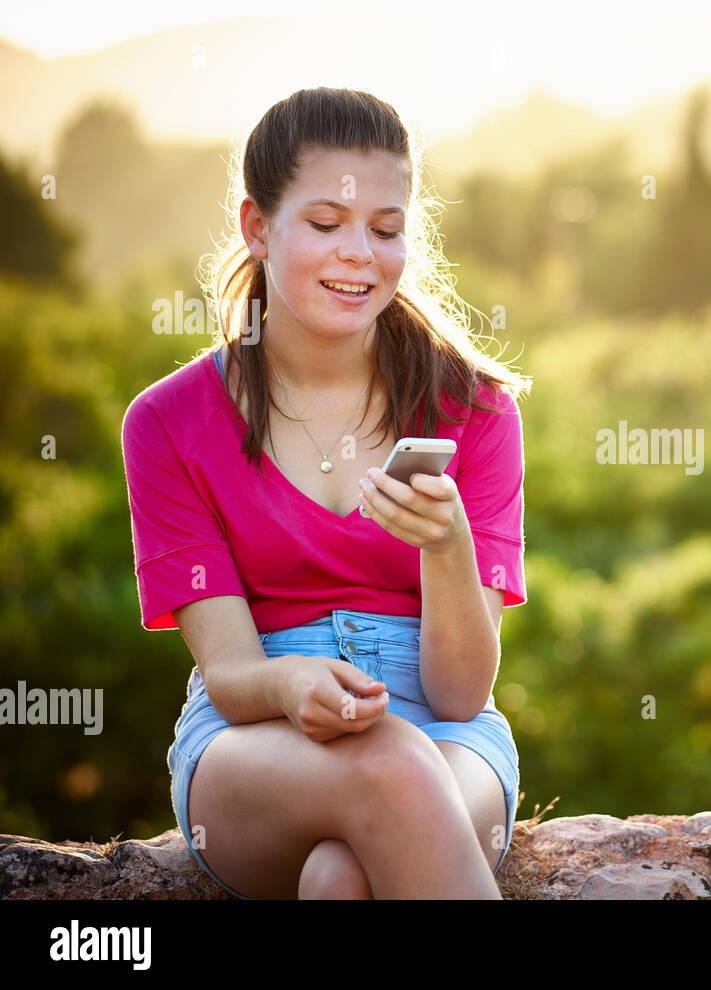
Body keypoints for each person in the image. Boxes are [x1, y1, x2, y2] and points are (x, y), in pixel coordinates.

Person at [120, 87, 530, 899]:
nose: (360, 255)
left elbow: (460, 693)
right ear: (256, 227)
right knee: (386, 763)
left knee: (339, 880)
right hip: (256, 736)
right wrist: (290, 681)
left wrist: (447, 548)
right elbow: (233, 674)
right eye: (325, 224)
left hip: (448, 734)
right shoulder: (166, 423)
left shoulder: (477, 411)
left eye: (385, 230)